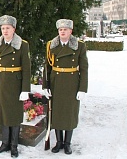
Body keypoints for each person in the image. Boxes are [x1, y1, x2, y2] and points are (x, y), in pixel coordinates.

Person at [43, 19, 88, 155]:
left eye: (65, 29)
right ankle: (59, 142)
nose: (62, 31)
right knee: (56, 113)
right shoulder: (51, 45)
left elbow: (84, 68)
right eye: (60, 29)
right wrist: (45, 86)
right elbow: (47, 67)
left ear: (71, 31)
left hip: (71, 82)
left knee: (69, 113)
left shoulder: (79, 46)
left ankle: (67, 143)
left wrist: (82, 88)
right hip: (56, 82)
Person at [0, 15, 31, 158]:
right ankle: (4, 143)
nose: (5, 31)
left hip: (15, 83)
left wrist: (25, 89)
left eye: (8, 28)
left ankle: (14, 145)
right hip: (1, 81)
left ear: (14, 29)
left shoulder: (22, 44)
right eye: (3, 28)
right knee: (3, 114)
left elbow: (27, 68)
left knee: (14, 115)